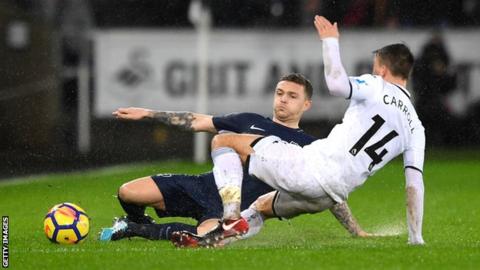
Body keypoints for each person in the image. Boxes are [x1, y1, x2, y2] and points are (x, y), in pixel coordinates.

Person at [184, 15, 425, 247]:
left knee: (224, 140)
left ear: (382, 70)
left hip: (310, 170)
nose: (373, 72)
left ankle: (231, 216)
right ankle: (216, 241)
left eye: (375, 68)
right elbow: (414, 184)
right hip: (331, 195)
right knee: (262, 206)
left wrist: (330, 42)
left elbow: (336, 84)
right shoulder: (415, 127)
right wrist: (416, 237)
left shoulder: (376, 85)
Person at [99, 73, 371, 242]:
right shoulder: (249, 121)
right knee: (128, 192)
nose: (283, 100)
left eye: (292, 96)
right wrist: (147, 113)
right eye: (279, 93)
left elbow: (329, 189)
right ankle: (144, 222)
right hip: (202, 186)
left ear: (306, 104)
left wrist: (355, 230)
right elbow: (196, 121)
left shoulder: (310, 145)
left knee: (201, 238)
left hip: (238, 210)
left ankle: (133, 229)